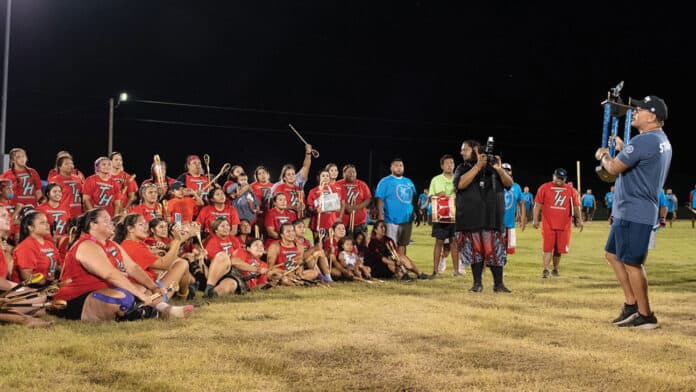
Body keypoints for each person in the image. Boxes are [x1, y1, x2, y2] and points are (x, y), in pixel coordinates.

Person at [594, 94, 671, 329]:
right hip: (633, 208)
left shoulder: (644, 141)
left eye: (640, 110)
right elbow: (640, 159)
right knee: (613, 254)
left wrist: (604, 155)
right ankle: (631, 304)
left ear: (653, 116)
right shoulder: (659, 139)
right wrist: (623, 147)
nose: (634, 112)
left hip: (634, 210)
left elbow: (614, 168)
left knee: (632, 263)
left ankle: (646, 314)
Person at [52, 208, 193, 321]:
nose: (111, 223)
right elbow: (110, 274)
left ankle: (161, 310)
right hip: (75, 299)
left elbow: (133, 268)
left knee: (142, 289)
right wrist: (141, 295)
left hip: (100, 292)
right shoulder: (87, 244)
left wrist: (154, 287)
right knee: (125, 297)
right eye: (106, 220)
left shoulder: (111, 244)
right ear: (93, 225)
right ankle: (149, 312)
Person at [453, 140, 512, 293]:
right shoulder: (462, 168)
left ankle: (498, 285)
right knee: (475, 252)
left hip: (492, 218)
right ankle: (477, 284)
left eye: (464, 149)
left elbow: (509, 183)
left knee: (496, 252)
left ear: (474, 149)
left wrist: (499, 169)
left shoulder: (494, 166)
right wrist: (478, 166)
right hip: (471, 218)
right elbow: (460, 184)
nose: (462, 152)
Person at [115, 213, 198, 300]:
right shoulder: (131, 246)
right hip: (149, 291)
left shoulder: (133, 243)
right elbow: (164, 265)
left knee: (178, 262)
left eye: (145, 223)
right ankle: (184, 295)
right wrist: (178, 240)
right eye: (141, 224)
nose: (145, 227)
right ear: (130, 229)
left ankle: (187, 291)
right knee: (183, 264)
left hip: (148, 285)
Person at [532, 168, 583, 278]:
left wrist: (579, 219)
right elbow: (538, 204)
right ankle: (545, 269)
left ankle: (555, 269)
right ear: (553, 176)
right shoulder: (545, 187)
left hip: (564, 225)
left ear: (565, 179)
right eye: (558, 177)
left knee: (559, 249)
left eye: (562, 178)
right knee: (547, 248)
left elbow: (576, 206)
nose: (559, 180)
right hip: (548, 224)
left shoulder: (571, 190)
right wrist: (535, 219)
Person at [375, 158, 418, 257]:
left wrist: (416, 211)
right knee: (391, 245)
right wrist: (380, 215)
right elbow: (379, 199)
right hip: (391, 220)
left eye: (401, 165)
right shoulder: (385, 181)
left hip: (407, 219)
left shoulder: (408, 181)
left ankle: (402, 266)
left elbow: (413, 198)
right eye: (396, 165)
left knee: (403, 244)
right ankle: (392, 268)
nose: (399, 168)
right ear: (391, 168)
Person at [428, 154, 459, 277]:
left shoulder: (459, 179)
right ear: (442, 165)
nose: (450, 165)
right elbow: (433, 196)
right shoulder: (436, 179)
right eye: (447, 163)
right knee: (439, 242)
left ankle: (456, 271)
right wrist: (448, 196)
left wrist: (446, 196)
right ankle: (435, 271)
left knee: (454, 243)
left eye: (452, 162)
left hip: (455, 215)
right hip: (441, 216)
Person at [11, 211, 62, 283]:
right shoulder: (26, 246)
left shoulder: (49, 244)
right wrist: (48, 283)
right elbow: (26, 277)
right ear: (31, 228)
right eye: (42, 223)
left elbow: (58, 266)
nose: (47, 225)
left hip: (48, 287)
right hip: (29, 290)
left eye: (47, 222)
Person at [336, 164, 372, 236]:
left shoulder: (362, 184)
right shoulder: (337, 184)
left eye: (354, 172)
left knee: (361, 245)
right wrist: (347, 207)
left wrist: (355, 207)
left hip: (360, 222)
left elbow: (368, 199)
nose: (352, 174)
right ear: (343, 174)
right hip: (342, 223)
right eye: (349, 172)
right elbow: (335, 198)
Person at [501, 163, 526, 255]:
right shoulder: (495, 184)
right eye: (503, 169)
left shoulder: (516, 186)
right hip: (495, 223)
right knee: (491, 248)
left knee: (506, 250)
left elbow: (521, 203)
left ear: (511, 172)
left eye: (508, 170)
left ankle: (501, 269)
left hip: (509, 224)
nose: (506, 172)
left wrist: (523, 218)